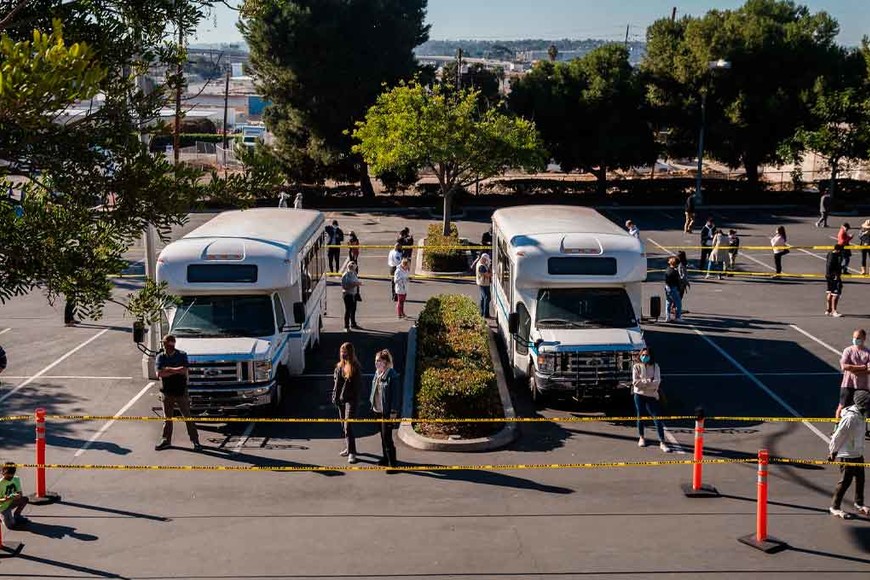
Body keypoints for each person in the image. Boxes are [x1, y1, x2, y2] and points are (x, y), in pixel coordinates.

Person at [155, 334, 201, 451]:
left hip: (181, 391)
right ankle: (166, 440)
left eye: (166, 344)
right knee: (167, 418)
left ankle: (195, 440)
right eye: (164, 344)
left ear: (171, 345)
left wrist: (168, 369)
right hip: (166, 392)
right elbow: (159, 373)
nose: (164, 346)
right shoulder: (160, 356)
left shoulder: (182, 355)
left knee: (187, 416)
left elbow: (184, 370)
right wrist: (176, 370)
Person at [828, 390, 869, 518]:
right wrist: (833, 451)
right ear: (863, 404)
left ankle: (859, 503)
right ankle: (834, 507)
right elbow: (838, 435)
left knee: (861, 479)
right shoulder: (850, 418)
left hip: (857, 452)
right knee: (846, 481)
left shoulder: (861, 415)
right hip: (847, 454)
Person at [632, 348, 670, 453]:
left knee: (657, 418)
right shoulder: (636, 366)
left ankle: (662, 442)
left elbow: (657, 382)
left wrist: (644, 383)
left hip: (652, 395)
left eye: (647, 355)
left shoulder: (655, 366)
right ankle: (641, 437)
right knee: (640, 416)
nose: (644, 357)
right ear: (640, 355)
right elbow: (635, 383)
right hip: (639, 395)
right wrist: (649, 381)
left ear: (650, 356)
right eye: (643, 355)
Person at [370, 349, 401, 468]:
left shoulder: (392, 376)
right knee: (382, 436)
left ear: (386, 362)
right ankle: (385, 458)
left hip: (387, 412)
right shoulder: (377, 373)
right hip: (377, 410)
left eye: (379, 361)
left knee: (387, 437)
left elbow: (396, 396)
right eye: (376, 361)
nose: (376, 363)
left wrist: (393, 412)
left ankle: (392, 463)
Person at [332, 342, 362, 464]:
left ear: (350, 353)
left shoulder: (355, 368)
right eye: (341, 352)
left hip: (351, 400)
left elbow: (357, 388)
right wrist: (335, 397)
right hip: (340, 400)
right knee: (343, 426)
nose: (343, 354)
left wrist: (354, 400)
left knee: (348, 426)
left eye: (345, 352)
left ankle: (352, 453)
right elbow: (336, 384)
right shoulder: (339, 367)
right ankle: (348, 447)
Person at [835, 329, 870, 420]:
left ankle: (864, 427)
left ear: (864, 338)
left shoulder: (868, 353)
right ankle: (837, 425)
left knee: (864, 409)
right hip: (848, 384)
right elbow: (844, 366)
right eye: (854, 338)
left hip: (862, 386)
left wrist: (853, 370)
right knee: (842, 407)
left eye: (858, 338)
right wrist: (862, 367)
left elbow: (869, 369)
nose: (855, 340)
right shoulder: (848, 350)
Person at [0, 462, 29, 530]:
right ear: (3, 473)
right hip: (3, 507)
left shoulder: (16, 479)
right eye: (8, 476)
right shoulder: (0, 483)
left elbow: (20, 493)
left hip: (11, 501)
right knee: (11, 525)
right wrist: (6, 499)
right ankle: (2, 515)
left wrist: (18, 496)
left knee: (24, 499)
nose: (10, 477)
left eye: (12, 475)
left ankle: (17, 515)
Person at [341, 261, 362, 331]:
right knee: (348, 310)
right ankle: (346, 326)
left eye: (354, 267)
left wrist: (357, 290)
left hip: (354, 294)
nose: (353, 268)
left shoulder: (354, 274)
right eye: (352, 267)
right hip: (347, 295)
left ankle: (353, 323)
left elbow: (356, 282)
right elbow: (345, 287)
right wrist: (355, 284)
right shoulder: (346, 275)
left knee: (353, 309)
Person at [825, 244, 844, 318]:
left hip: (828, 276)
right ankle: (834, 311)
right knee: (835, 293)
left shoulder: (829, 253)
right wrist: (835, 274)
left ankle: (828, 310)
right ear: (838, 250)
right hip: (834, 277)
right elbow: (830, 266)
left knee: (829, 292)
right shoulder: (835, 256)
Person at [663, 256, 682, 322]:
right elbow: (677, 281)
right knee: (678, 303)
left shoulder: (667, 269)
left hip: (667, 287)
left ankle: (667, 317)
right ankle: (678, 317)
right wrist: (679, 288)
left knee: (668, 303)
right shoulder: (675, 271)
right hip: (673, 288)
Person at [474, 253, 493, 318]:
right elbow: (487, 275)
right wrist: (492, 273)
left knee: (482, 298)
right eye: (486, 260)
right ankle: (485, 314)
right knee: (487, 298)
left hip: (482, 283)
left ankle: (481, 313)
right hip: (484, 284)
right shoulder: (481, 266)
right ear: (483, 259)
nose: (486, 261)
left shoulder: (480, 263)